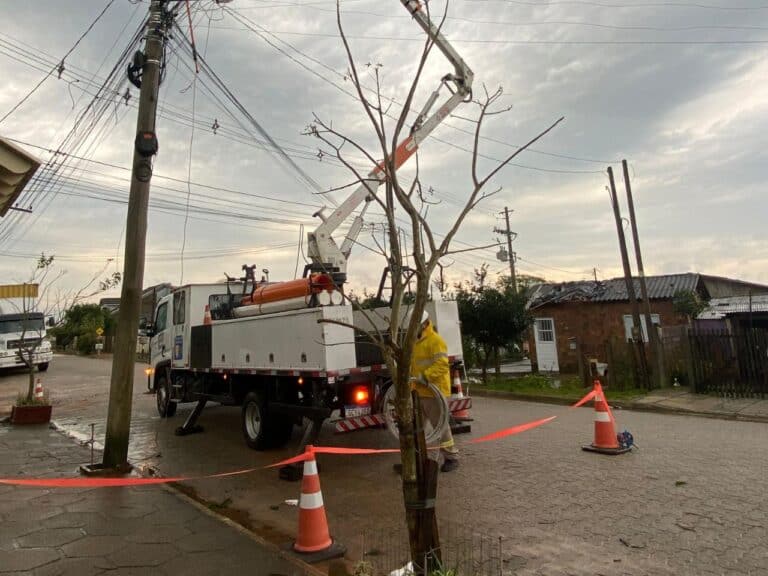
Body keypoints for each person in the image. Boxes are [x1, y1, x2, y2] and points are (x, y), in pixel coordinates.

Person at [411, 310, 459, 472]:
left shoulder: (435, 341)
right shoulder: (415, 342)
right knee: (417, 428)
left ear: (424, 324)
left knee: (441, 426)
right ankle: (417, 460)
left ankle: (451, 457)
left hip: (434, 392)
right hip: (419, 392)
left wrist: (425, 376)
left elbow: (442, 365)